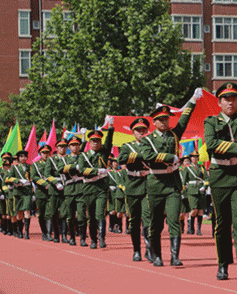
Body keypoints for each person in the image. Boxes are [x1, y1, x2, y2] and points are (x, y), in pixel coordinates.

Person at [140, 89, 203, 267]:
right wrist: (169, 158)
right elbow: (147, 156)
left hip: (173, 183)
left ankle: (175, 256)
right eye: (160, 119)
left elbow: (185, 118)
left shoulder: (175, 135)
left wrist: (193, 101)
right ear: (154, 121)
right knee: (156, 222)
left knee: (175, 219)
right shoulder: (148, 140)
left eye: (166, 118)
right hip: (155, 184)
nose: (164, 122)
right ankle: (157, 255)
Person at [204, 82, 237, 282]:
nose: (231, 102)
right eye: (226, 99)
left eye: (234, 98)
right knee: (222, 224)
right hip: (220, 174)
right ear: (219, 102)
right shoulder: (211, 122)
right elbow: (212, 144)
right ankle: (223, 264)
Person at [118, 117, 153, 261]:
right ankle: (136, 250)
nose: (141, 132)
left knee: (148, 219)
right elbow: (122, 159)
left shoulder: (152, 145)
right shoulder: (127, 146)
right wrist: (142, 156)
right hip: (133, 184)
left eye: (144, 130)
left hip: (148, 183)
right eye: (138, 130)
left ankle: (149, 250)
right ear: (133, 132)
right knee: (134, 220)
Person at [79, 121, 115, 249]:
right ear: (89, 143)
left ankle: (102, 238)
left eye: (98, 141)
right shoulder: (83, 156)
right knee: (91, 216)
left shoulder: (104, 152)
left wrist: (110, 128)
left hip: (101, 187)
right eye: (93, 141)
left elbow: (109, 141)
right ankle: (93, 239)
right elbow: (82, 170)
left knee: (100, 214)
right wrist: (96, 171)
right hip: (88, 188)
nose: (96, 143)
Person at [62, 134, 89, 246]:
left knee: (82, 215)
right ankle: (72, 237)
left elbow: (86, 169)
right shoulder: (64, 159)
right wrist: (76, 167)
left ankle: (82, 238)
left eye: (77, 145)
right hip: (69, 190)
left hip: (81, 188)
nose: (75, 147)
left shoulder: (84, 157)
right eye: (72, 145)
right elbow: (60, 168)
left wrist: (72, 168)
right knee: (70, 216)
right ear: (69, 147)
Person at [31, 144, 57, 241]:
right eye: (43, 153)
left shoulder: (53, 163)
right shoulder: (35, 165)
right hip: (41, 192)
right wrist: (45, 184)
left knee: (49, 213)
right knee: (41, 214)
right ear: (40, 154)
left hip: (52, 191)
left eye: (47, 153)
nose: (45, 155)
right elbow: (34, 177)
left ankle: (49, 233)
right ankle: (44, 232)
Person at [7, 150, 33, 239]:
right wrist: (18, 180)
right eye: (21, 157)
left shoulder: (29, 167)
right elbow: (9, 178)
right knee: (19, 213)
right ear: (18, 158)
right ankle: (19, 231)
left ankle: (26, 232)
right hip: (18, 192)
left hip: (27, 191)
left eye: (25, 156)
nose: (23, 158)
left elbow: (32, 178)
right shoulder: (14, 168)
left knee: (27, 211)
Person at [182, 151, 208, 236]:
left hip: (201, 190)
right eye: (193, 157)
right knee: (193, 211)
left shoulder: (202, 167)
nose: (195, 158)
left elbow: (207, 179)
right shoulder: (187, 168)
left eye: (196, 157)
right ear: (191, 158)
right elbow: (184, 181)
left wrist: (205, 186)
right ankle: (191, 228)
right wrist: (184, 192)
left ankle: (199, 229)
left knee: (200, 211)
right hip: (192, 191)